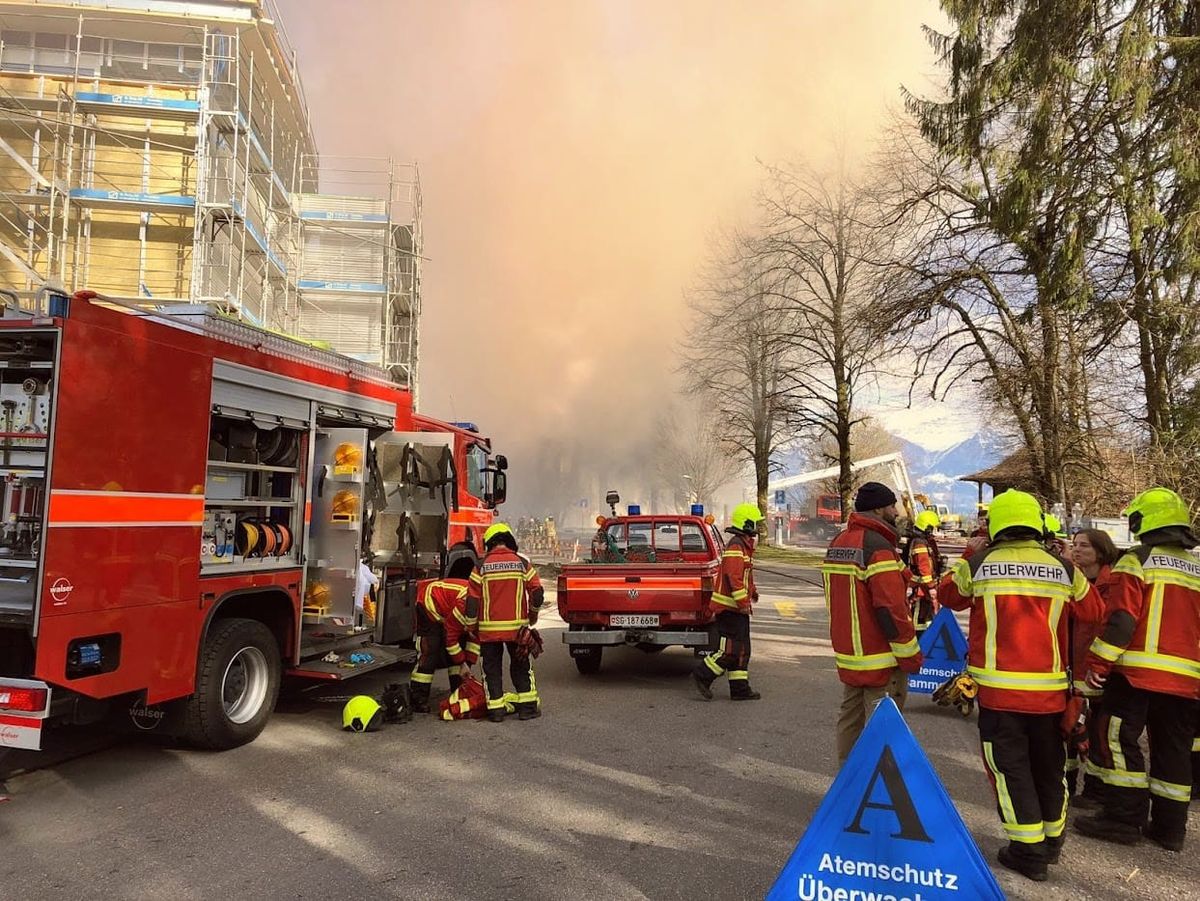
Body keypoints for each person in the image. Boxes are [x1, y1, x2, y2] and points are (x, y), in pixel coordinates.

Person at [938, 489, 1104, 882]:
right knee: (1049, 766)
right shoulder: (1062, 567)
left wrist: (966, 553)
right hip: (1048, 695)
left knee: (1010, 770)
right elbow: (1095, 612)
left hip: (999, 696)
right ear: (1034, 522)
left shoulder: (979, 563)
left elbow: (947, 596)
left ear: (996, 524)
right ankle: (1052, 840)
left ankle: (1028, 852)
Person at [1075, 488, 1200, 852]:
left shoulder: (1136, 561)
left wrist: (1098, 665)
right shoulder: (1197, 568)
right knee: (1173, 750)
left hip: (1135, 675)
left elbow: (1121, 621)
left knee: (1117, 739)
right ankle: (1170, 830)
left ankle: (1122, 819)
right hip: (1187, 680)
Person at [824, 482, 923, 765]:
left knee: (850, 722)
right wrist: (910, 656)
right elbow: (890, 609)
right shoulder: (878, 548)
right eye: (892, 505)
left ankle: (848, 785)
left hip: (850, 655)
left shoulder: (838, 543)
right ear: (879, 508)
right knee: (885, 729)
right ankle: (877, 788)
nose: (895, 511)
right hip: (880, 658)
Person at [470, 522, 544, 721]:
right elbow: (537, 593)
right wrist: (533, 615)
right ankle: (528, 708)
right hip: (517, 630)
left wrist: (471, 627)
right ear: (510, 540)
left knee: (491, 669)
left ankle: (496, 711)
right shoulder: (522, 563)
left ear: (489, 543)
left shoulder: (480, 566)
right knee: (521, 666)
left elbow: (471, 601)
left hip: (488, 632)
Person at [1068, 528, 1120, 806]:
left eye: (1084, 546)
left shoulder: (1111, 582)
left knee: (1099, 728)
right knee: (1070, 727)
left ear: (1100, 551)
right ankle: (1068, 783)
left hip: (1097, 668)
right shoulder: (1073, 580)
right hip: (1072, 664)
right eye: (1074, 545)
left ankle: (1096, 789)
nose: (1076, 550)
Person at [693, 503, 764, 701]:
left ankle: (740, 689)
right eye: (755, 522)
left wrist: (753, 593)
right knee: (729, 651)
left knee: (742, 650)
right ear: (747, 523)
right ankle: (702, 675)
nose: (757, 527)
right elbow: (734, 577)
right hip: (729, 608)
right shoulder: (736, 545)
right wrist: (743, 602)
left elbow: (745, 575)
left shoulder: (743, 544)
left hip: (737, 609)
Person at [410, 543, 481, 714]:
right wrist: (462, 661)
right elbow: (450, 639)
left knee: (459, 653)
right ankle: (418, 699)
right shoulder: (462, 607)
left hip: (447, 607)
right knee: (431, 651)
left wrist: (467, 664)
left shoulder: (483, 611)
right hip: (429, 604)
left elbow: (474, 640)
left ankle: (457, 692)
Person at [906, 509, 943, 630]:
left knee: (927, 615)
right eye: (932, 528)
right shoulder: (920, 544)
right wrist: (931, 587)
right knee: (920, 616)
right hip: (922, 589)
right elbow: (924, 568)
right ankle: (920, 639)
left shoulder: (922, 541)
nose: (934, 532)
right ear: (927, 528)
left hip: (923, 588)